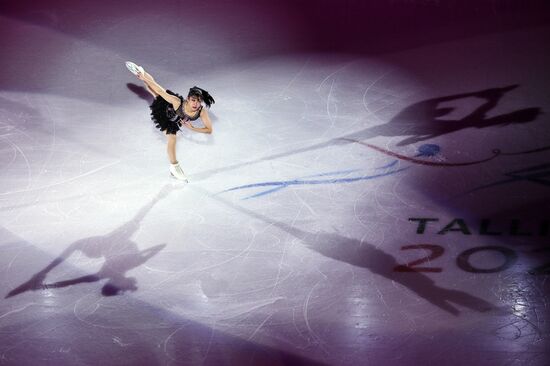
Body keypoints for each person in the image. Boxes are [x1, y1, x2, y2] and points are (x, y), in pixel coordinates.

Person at [127, 61, 215, 181]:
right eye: (193, 100)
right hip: (164, 112)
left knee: (153, 90)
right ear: (188, 99)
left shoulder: (201, 111)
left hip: (175, 117)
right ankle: (174, 167)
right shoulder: (177, 102)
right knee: (155, 91)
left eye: (198, 101)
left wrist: (192, 128)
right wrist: (145, 79)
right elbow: (160, 91)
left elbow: (209, 130)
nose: (196, 103)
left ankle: (143, 73)